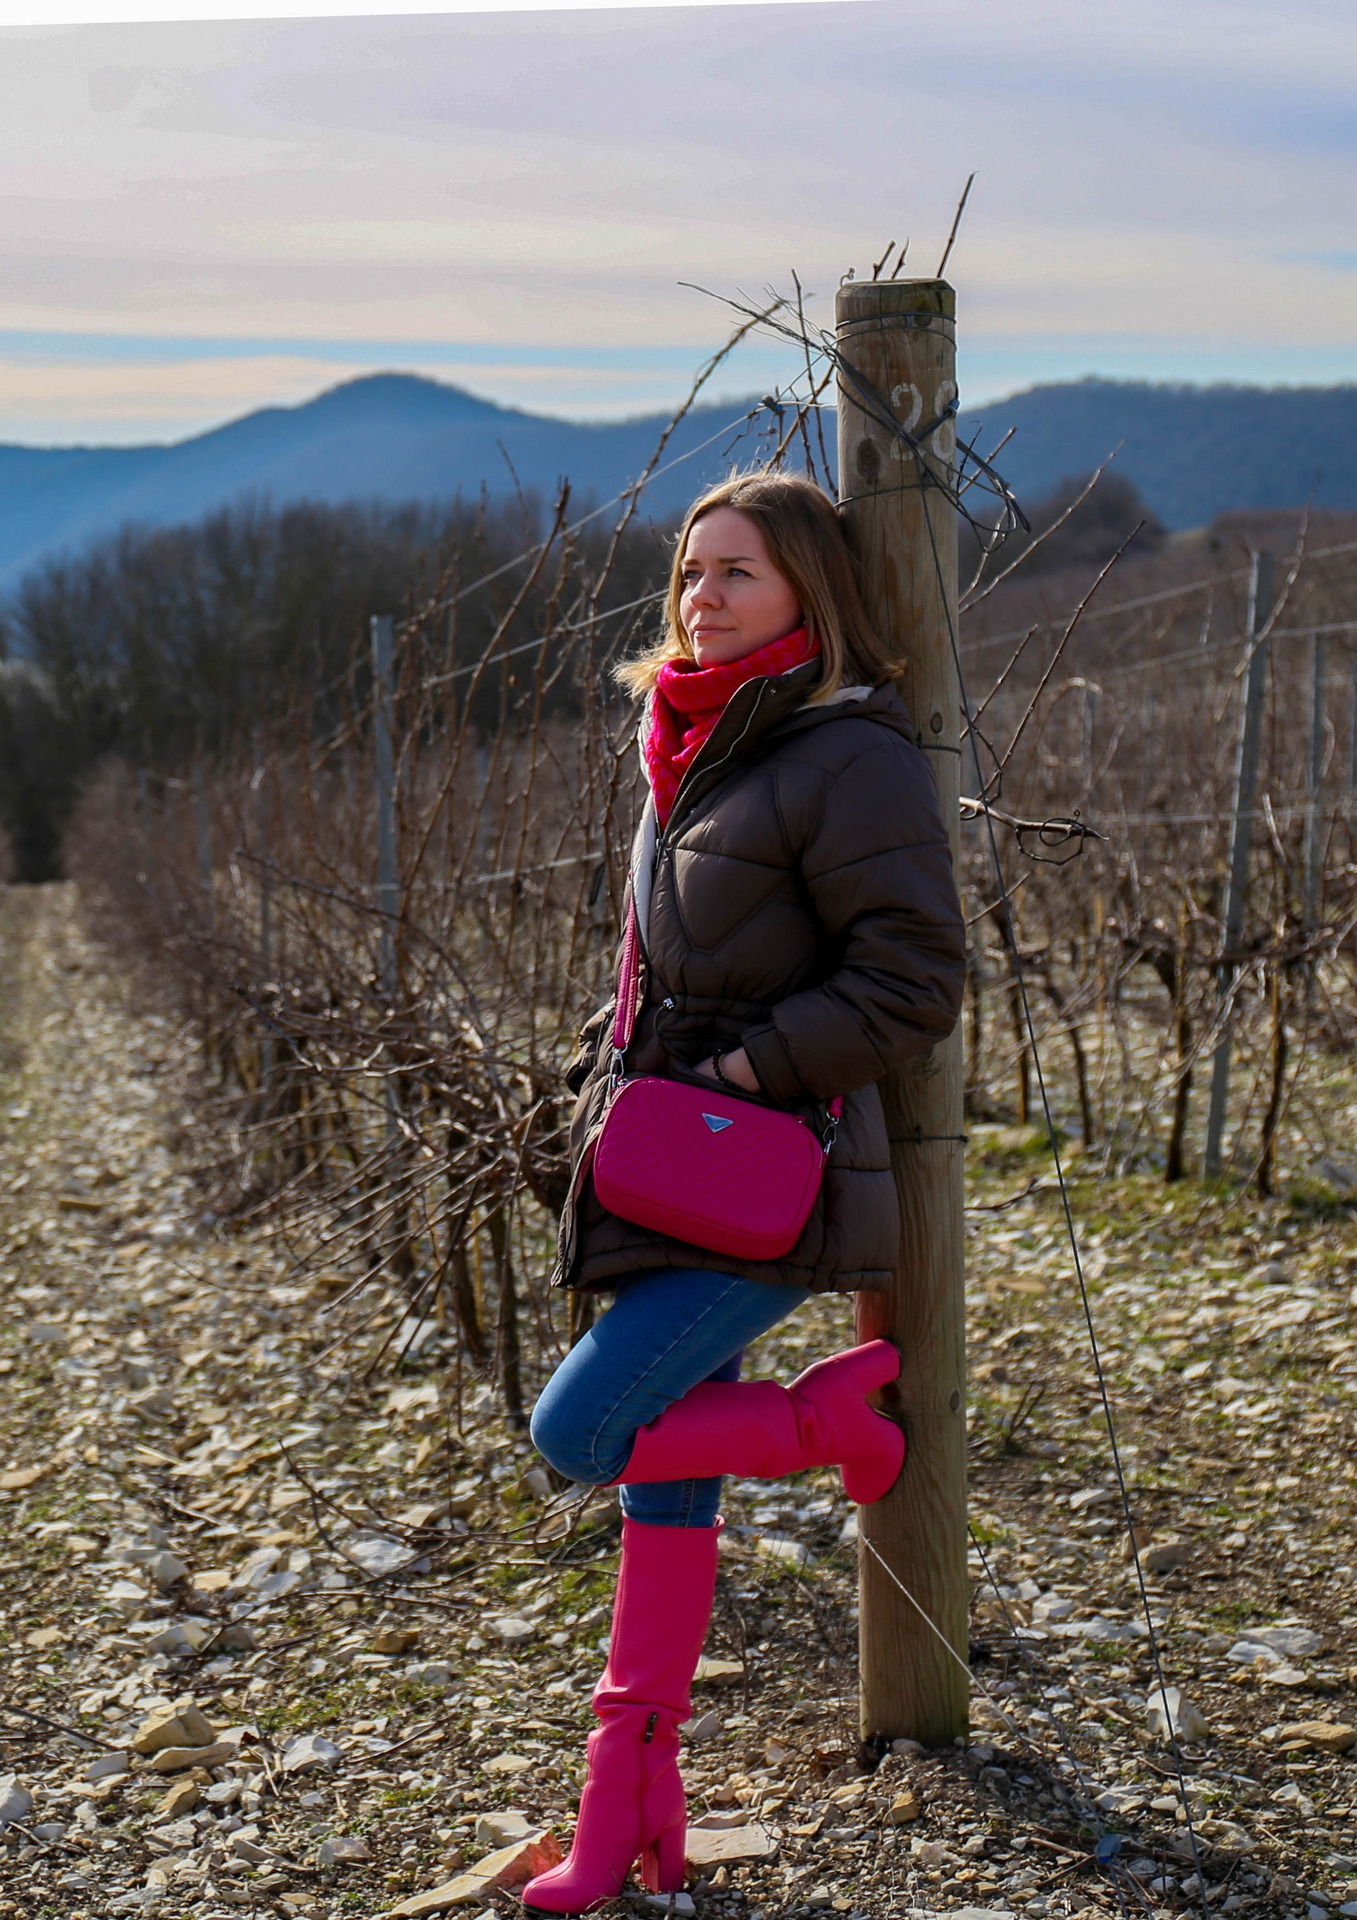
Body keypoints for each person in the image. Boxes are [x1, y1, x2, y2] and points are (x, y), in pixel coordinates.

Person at [520, 469, 966, 1912]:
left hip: (761, 1176)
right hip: (668, 1160)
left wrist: (748, 1078)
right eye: (690, 572)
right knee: (666, 1478)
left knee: (586, 1429)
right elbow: (663, 972)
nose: (700, 598)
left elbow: (913, 979)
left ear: (810, 599)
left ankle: (829, 1420)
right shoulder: (694, 745)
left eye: (739, 574)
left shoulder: (847, 754)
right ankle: (630, 1801)